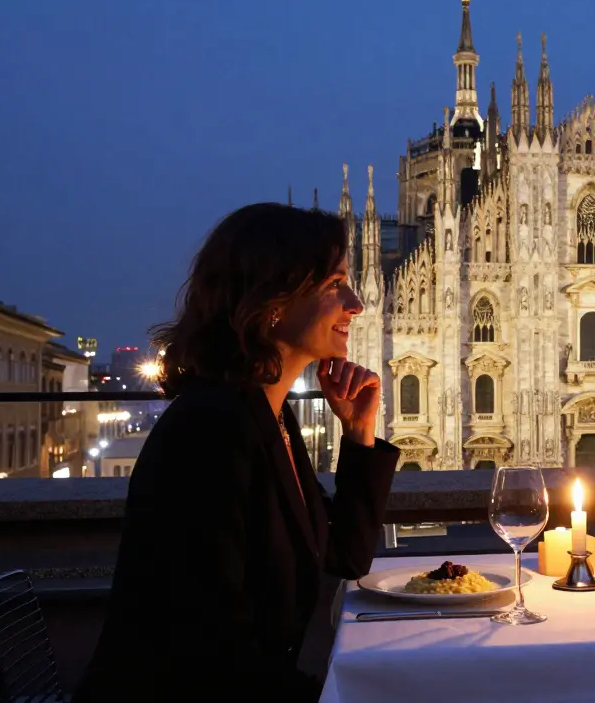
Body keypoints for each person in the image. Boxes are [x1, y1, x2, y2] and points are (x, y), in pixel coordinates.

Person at [74, 203, 399, 702]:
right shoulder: (210, 431)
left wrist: (358, 432)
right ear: (274, 299)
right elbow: (214, 653)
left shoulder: (268, 418)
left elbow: (345, 553)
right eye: (335, 284)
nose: (355, 303)